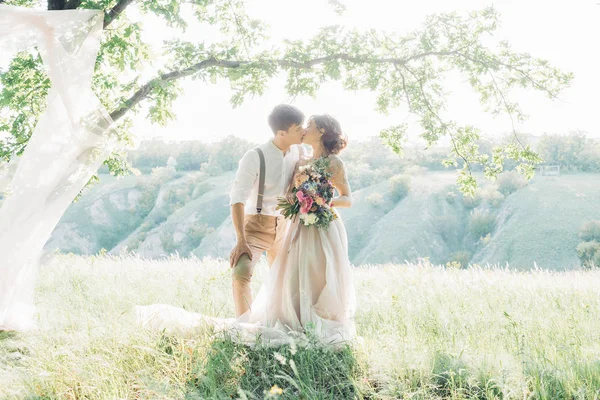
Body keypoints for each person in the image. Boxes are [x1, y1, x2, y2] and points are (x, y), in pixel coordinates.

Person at [229, 104, 305, 317]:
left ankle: (280, 321)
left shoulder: (299, 151)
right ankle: (245, 326)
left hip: (285, 225)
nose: (303, 132)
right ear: (282, 133)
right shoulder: (254, 156)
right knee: (241, 272)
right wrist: (241, 240)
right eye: (298, 129)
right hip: (256, 225)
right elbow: (237, 200)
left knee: (286, 279)